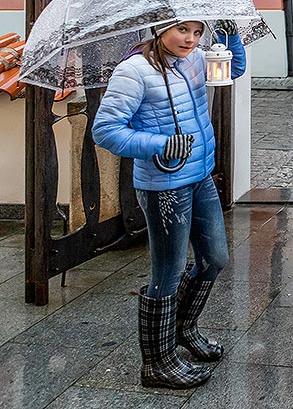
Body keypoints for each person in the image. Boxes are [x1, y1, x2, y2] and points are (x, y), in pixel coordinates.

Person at [92, 20, 246, 389]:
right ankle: (157, 363)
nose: (191, 39)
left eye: (197, 31)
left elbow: (233, 69)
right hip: (163, 184)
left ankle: (181, 330)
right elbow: (106, 129)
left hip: (199, 175)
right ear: (159, 30)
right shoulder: (133, 70)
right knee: (169, 269)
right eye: (182, 30)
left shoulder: (193, 59)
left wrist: (230, 37)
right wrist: (159, 144)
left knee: (215, 259)